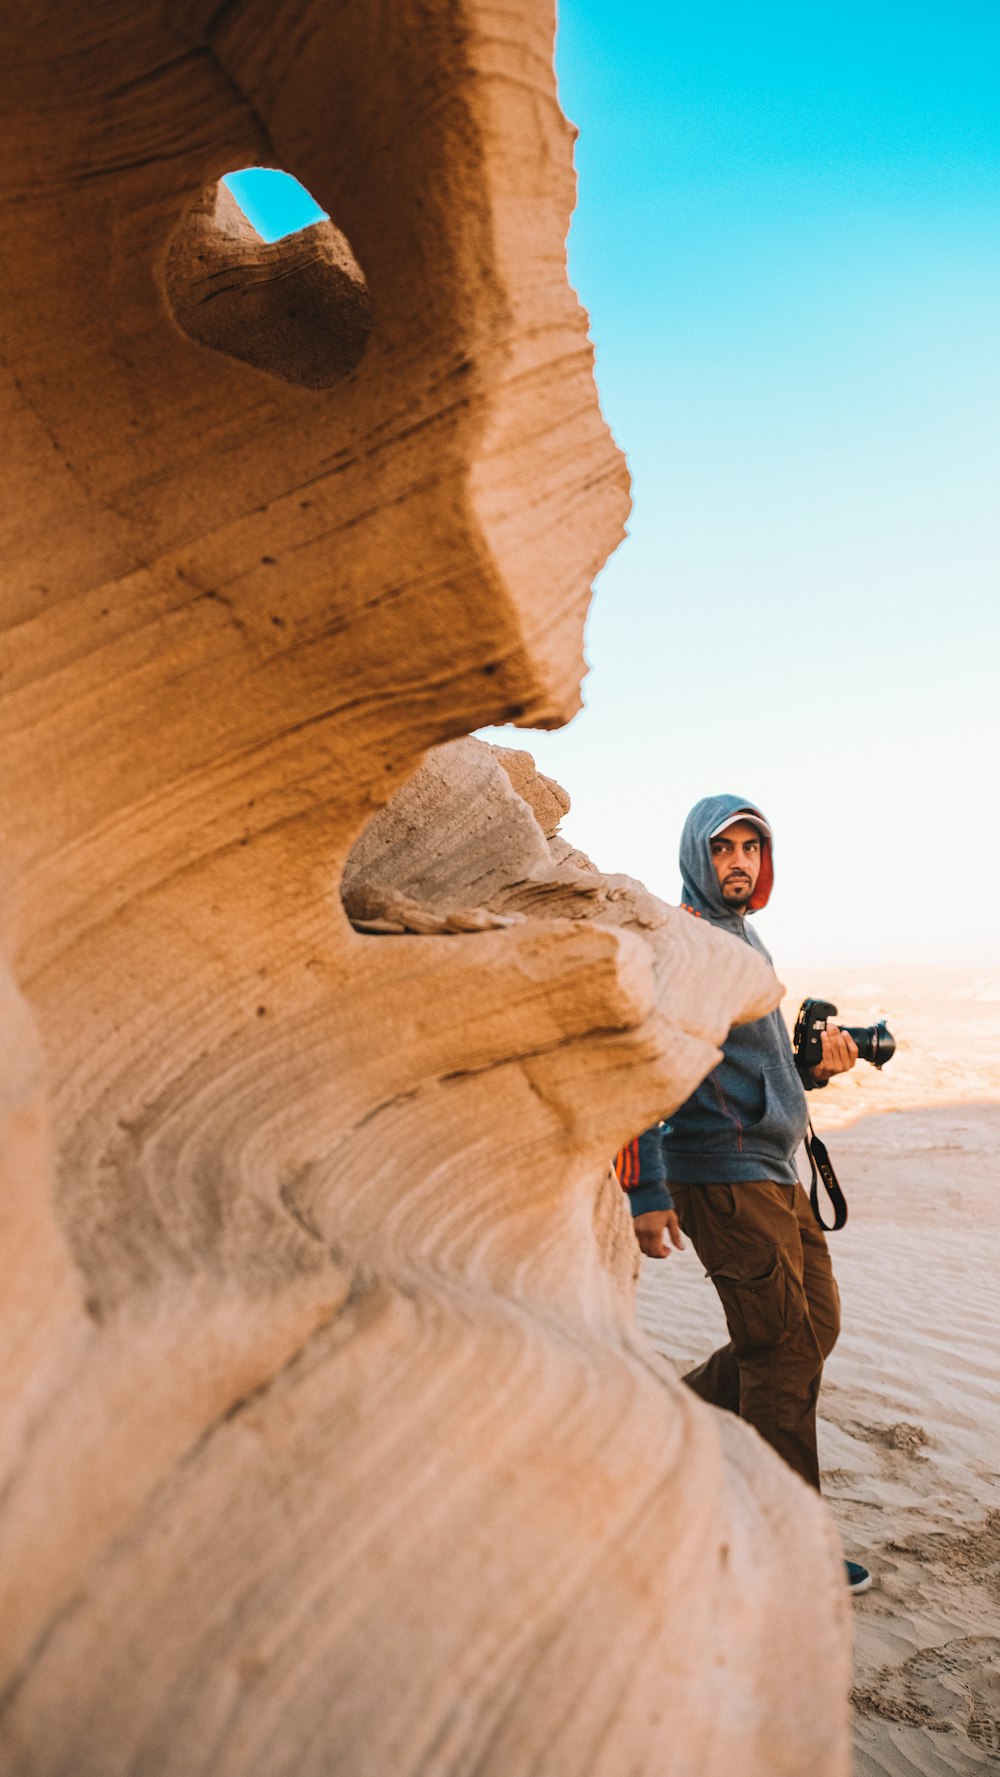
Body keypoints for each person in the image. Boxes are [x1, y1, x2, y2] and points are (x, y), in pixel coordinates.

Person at [615, 793, 872, 1594]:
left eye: (751, 849)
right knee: (783, 1352)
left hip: (771, 1171)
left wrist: (811, 1075)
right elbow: (652, 1059)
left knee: (811, 1329)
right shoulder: (686, 942)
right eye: (723, 848)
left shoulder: (741, 938)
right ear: (698, 855)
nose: (739, 861)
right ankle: (789, 1544)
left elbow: (749, 1077)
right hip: (721, 1178)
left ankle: (667, 1425)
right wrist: (648, 1184)